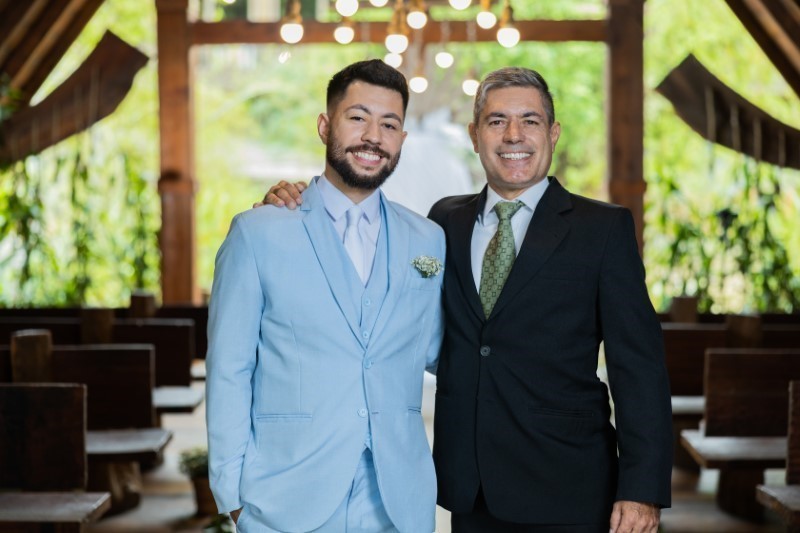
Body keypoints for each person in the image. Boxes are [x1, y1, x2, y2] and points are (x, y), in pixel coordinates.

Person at [262, 66, 672, 533]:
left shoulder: (602, 229)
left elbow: (639, 367)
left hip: (569, 484)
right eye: (497, 121)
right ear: (475, 136)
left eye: (530, 121)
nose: (513, 135)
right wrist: (295, 205)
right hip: (469, 487)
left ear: (553, 133)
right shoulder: (443, 223)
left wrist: (641, 488)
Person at [206, 59, 445, 533]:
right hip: (285, 498)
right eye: (357, 118)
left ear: (401, 139)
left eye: (389, 124)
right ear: (324, 126)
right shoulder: (258, 233)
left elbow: (444, 351)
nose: (373, 136)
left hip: (399, 502)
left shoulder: (428, 239)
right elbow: (230, 368)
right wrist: (231, 496)